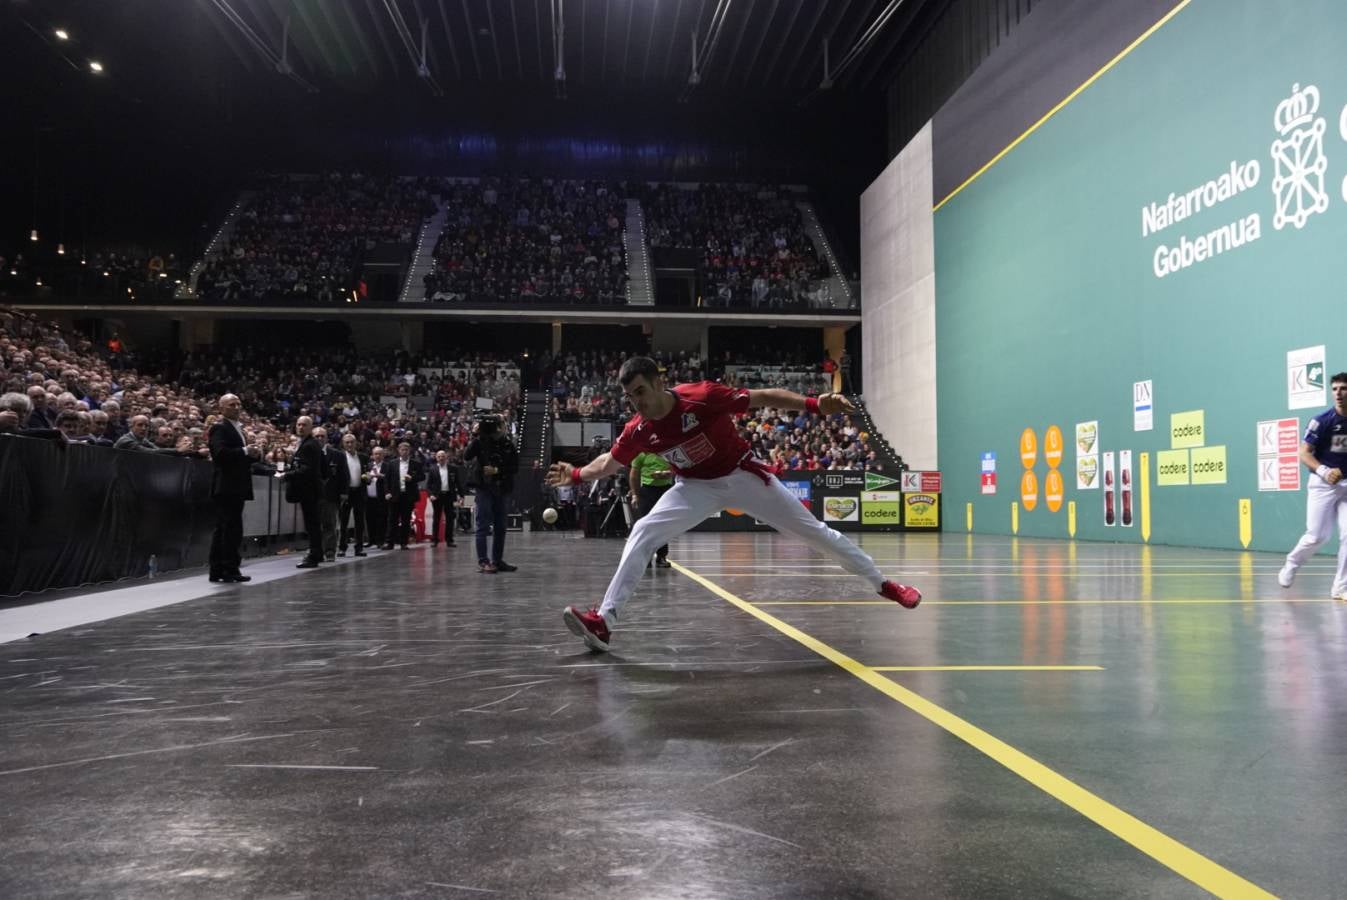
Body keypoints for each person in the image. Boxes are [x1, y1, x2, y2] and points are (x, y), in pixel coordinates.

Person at [546, 356, 921, 652]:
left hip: (743, 477)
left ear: (659, 382)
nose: (637, 401)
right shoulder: (639, 430)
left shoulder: (701, 396)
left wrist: (813, 404)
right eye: (630, 396)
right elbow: (609, 463)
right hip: (694, 487)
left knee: (815, 533)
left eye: (641, 391)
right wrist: (577, 475)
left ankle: (883, 583)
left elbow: (762, 397)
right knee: (643, 530)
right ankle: (603, 622)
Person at [1279, 372, 1347, 599]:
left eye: (1343, 389)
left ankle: (1341, 587)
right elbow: (1303, 452)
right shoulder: (1322, 421)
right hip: (1322, 484)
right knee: (1318, 536)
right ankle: (1292, 563)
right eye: (1335, 389)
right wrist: (1324, 471)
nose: (1338, 393)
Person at [207, 393, 259, 583]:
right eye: (232, 404)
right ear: (221, 408)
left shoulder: (238, 429)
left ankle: (222, 569)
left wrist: (253, 454)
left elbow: (238, 456)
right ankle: (227, 569)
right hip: (227, 486)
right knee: (228, 529)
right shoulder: (219, 428)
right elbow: (220, 454)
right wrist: (245, 451)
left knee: (228, 528)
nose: (237, 407)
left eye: (239, 404)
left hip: (235, 485)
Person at [464, 413, 519, 574]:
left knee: (501, 526)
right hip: (484, 487)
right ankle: (483, 561)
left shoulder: (507, 444)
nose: (504, 427)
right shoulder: (480, 442)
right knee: (482, 525)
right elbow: (467, 456)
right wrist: (475, 435)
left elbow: (514, 467)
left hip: (502, 487)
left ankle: (497, 560)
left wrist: (497, 470)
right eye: (501, 424)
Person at [279, 415, 325, 568]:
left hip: (309, 491)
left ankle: (314, 555)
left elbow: (307, 469)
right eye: (298, 424)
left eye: (304, 425)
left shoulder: (309, 445)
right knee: (312, 524)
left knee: (312, 524)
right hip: (311, 490)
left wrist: (287, 474)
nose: (300, 427)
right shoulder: (307, 444)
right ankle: (316, 553)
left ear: (311, 427)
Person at [628, 450, 674, 568]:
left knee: (663, 525)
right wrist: (635, 495)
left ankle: (661, 557)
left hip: (666, 490)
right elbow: (634, 475)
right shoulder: (641, 454)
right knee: (646, 526)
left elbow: (679, 468)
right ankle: (645, 558)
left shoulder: (668, 451)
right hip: (647, 490)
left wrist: (669, 473)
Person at [382, 440, 423, 549]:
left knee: (406, 520)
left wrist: (412, 478)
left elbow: (422, 476)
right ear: (398, 451)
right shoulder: (392, 463)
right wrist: (387, 492)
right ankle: (389, 542)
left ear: (409, 451)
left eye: (406, 450)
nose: (404, 452)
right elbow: (386, 480)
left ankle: (403, 543)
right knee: (392, 519)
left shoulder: (416, 463)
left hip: (408, 496)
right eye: (402, 450)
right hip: (395, 495)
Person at [336, 432, 368, 557]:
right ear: (343, 444)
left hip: (359, 492)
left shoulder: (363, 457)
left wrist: (368, 477)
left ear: (356, 443)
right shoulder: (340, 457)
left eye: (352, 442)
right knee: (343, 522)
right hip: (345, 493)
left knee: (359, 522)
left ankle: (358, 548)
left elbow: (367, 473)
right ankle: (342, 548)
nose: (349, 444)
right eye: (347, 442)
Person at [425, 449, 461, 547]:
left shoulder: (453, 468)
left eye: (443, 456)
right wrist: (431, 494)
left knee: (450, 518)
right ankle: (434, 540)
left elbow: (458, 483)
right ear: (436, 458)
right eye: (439, 456)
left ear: (446, 457)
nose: (441, 458)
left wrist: (461, 495)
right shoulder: (432, 469)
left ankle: (449, 540)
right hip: (437, 496)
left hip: (449, 496)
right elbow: (428, 485)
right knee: (436, 518)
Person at [365, 445, 388, 549]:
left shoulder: (387, 466)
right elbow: (366, 479)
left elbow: (391, 479)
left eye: (379, 454)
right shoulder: (369, 465)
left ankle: (381, 540)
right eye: (375, 454)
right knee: (370, 520)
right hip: (369, 497)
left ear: (383, 455)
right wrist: (367, 478)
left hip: (381, 497)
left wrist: (381, 476)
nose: (377, 456)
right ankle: (371, 540)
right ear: (372, 455)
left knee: (381, 520)